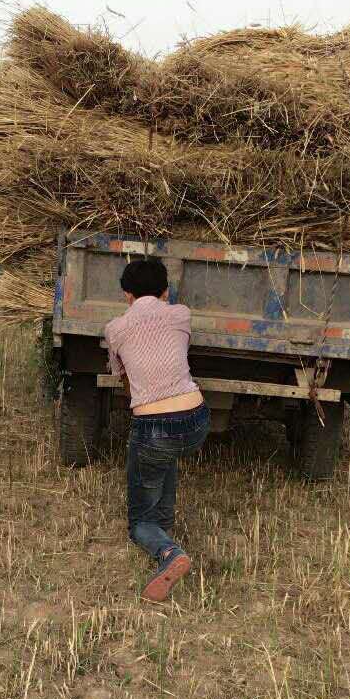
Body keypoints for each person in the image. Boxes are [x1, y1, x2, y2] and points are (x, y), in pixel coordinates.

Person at [105, 258, 210, 602]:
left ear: (127, 295)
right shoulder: (182, 314)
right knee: (167, 451)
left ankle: (167, 551)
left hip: (153, 426)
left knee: (138, 523)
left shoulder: (115, 329)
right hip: (196, 419)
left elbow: (123, 378)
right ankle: (164, 522)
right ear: (166, 291)